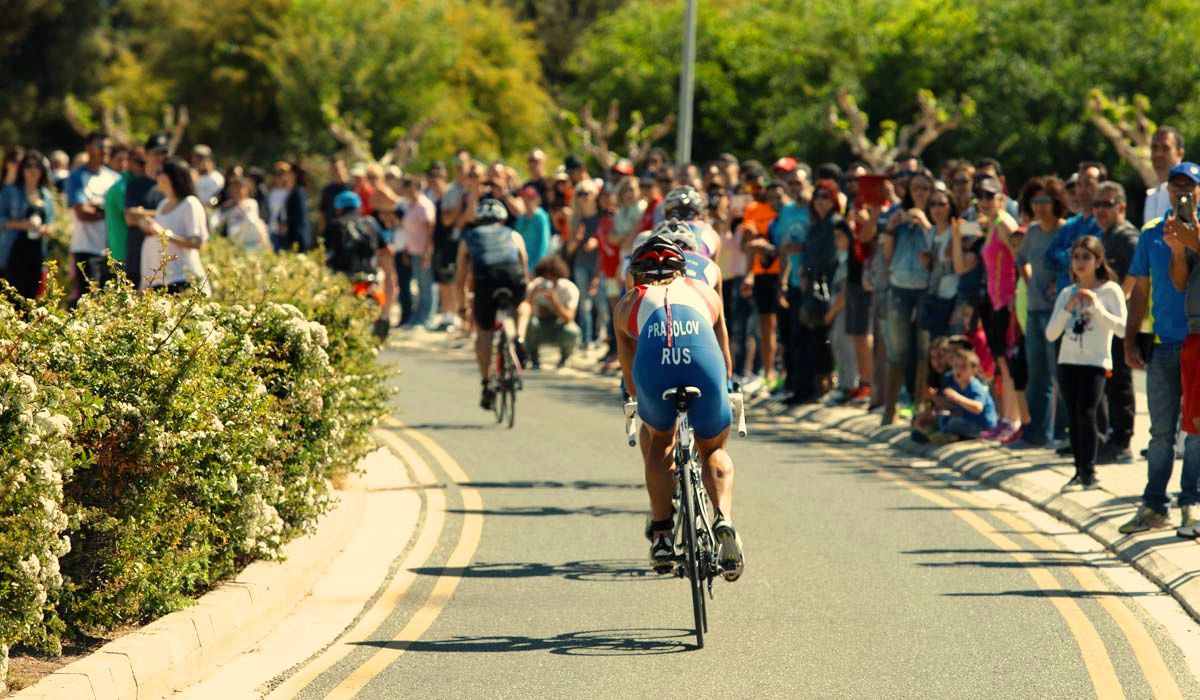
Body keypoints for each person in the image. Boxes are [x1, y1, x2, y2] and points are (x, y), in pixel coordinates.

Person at [612, 236, 743, 580]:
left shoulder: (629, 302)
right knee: (713, 447)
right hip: (703, 362)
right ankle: (724, 520)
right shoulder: (705, 292)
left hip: (656, 369)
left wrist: (636, 398)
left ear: (637, 275)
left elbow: (629, 377)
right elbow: (725, 356)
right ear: (682, 270)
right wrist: (726, 387)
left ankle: (662, 535)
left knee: (660, 441)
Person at [1120, 162, 1200, 535]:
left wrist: (1187, 241)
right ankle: (1154, 505)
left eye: (1190, 187)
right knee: (1160, 433)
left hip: (1197, 342)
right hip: (1165, 343)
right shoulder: (1151, 232)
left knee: (1197, 430)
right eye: (1177, 187)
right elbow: (1141, 289)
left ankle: (1191, 503)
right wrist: (1130, 336)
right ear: (1167, 191)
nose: (1182, 193)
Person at [1045, 236, 1127, 491]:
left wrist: (1097, 308)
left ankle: (1089, 471)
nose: (1080, 263)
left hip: (1096, 362)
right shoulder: (1067, 293)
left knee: (1087, 412)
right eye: (1076, 257)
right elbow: (1050, 334)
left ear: (1098, 260)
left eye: (1086, 257)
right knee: (1074, 414)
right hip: (1068, 361)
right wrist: (1068, 308)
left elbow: (1123, 329)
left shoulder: (1109, 290)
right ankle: (1078, 470)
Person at [455, 198, 532, 409]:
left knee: (484, 333)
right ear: (502, 219)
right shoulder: (513, 235)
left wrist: (462, 307)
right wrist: (523, 293)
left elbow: (460, 278)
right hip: (513, 278)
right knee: (523, 306)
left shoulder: (468, 238)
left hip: (485, 282)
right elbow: (524, 266)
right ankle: (519, 337)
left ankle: (487, 383)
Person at [1014, 177, 1068, 448]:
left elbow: (1076, 263)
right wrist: (1029, 279)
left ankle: (1062, 435)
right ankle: (1036, 434)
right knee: (1037, 375)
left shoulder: (1065, 230)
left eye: (1045, 201)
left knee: (1060, 374)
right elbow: (1021, 257)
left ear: (1056, 202)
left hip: (1058, 312)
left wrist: (1058, 285)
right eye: (1035, 201)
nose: (1039, 207)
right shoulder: (1032, 232)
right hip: (1034, 311)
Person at [880, 169, 935, 424]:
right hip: (899, 285)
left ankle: (919, 405)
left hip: (926, 287)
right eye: (916, 188)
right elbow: (888, 256)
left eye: (925, 188)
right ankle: (889, 410)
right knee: (898, 349)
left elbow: (939, 248)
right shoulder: (897, 214)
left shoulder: (937, 214)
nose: (920, 193)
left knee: (924, 349)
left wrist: (925, 223)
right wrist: (892, 228)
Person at [977, 176, 1028, 442]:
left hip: (1007, 302)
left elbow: (1020, 258)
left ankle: (1012, 419)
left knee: (1007, 363)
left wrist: (1016, 297)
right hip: (995, 301)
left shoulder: (1005, 223)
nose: (984, 201)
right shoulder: (992, 224)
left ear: (1002, 198)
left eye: (990, 196)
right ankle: (1006, 417)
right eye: (981, 196)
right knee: (1000, 362)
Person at [1094, 181, 1140, 464]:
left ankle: (1122, 442)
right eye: (1096, 204)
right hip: (1105, 321)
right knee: (1110, 382)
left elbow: (1141, 271)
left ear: (1121, 207)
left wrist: (1123, 297)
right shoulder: (1105, 235)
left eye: (1106, 204)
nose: (1100, 210)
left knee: (1121, 382)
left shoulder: (1126, 236)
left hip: (1123, 321)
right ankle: (1110, 438)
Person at [136, 156, 210, 294]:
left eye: (160, 172)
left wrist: (163, 233)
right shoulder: (163, 205)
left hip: (183, 281)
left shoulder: (190, 203)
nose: (156, 175)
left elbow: (196, 242)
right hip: (159, 283)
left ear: (171, 176)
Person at [65, 131, 120, 301]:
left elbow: (118, 213)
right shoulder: (76, 177)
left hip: (112, 252)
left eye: (108, 147)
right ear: (88, 148)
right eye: (100, 146)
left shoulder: (114, 178)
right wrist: (107, 211)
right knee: (87, 302)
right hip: (86, 250)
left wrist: (97, 208)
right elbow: (82, 213)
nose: (105, 151)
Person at [0, 150, 55, 300]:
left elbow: (51, 221)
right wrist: (20, 225)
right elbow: (1, 219)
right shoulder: (11, 191)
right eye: (29, 166)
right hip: (14, 251)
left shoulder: (46, 195)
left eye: (37, 166)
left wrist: (47, 229)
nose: (33, 170)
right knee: (14, 297)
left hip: (37, 252)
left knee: (32, 298)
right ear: (22, 169)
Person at [124, 134, 169, 288]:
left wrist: (144, 213)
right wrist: (165, 214)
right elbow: (130, 217)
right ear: (146, 154)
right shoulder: (135, 185)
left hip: (166, 259)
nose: (160, 158)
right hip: (138, 256)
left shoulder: (171, 186)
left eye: (164, 153)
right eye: (156, 153)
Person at [526, 256, 581, 369]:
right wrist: (531, 297)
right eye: (545, 277)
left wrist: (554, 302)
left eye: (552, 278)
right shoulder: (535, 287)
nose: (548, 281)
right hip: (540, 327)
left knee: (572, 330)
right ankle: (534, 359)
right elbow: (525, 315)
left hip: (559, 327)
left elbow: (569, 318)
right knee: (528, 325)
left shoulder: (569, 288)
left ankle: (565, 359)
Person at [934, 349, 999, 441]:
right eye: (956, 366)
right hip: (968, 420)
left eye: (963, 367)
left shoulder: (975, 386)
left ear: (974, 370)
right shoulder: (956, 385)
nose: (958, 370)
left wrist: (957, 397)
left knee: (953, 423)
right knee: (942, 417)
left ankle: (951, 435)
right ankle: (949, 435)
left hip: (983, 426)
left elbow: (978, 408)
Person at [401, 175, 438, 329]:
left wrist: (427, 252)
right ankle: (418, 318)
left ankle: (427, 319)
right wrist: (406, 250)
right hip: (413, 250)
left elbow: (431, 229)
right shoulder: (409, 205)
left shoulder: (424, 205)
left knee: (426, 285)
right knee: (419, 285)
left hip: (423, 251)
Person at [214, 175, 270, 252]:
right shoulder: (226, 207)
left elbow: (251, 219)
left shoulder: (251, 203)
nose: (236, 191)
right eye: (233, 188)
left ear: (246, 189)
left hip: (252, 243)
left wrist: (239, 204)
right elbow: (217, 222)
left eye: (239, 188)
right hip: (234, 243)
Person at [1146, 126, 1186, 225]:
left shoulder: (1189, 191)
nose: (1158, 154)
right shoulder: (1150, 197)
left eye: (1165, 148)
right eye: (1154, 148)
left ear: (1180, 154)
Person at [104, 144, 132, 280]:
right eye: (119, 159)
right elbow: (130, 217)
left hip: (118, 252)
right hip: (121, 253)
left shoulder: (125, 183)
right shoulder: (121, 186)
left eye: (126, 159)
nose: (124, 164)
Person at [514, 186, 551, 272]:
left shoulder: (541, 217)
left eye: (529, 198)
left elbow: (544, 241)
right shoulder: (521, 218)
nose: (526, 201)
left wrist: (540, 263)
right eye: (524, 198)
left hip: (537, 264)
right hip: (523, 263)